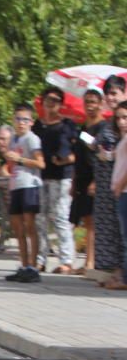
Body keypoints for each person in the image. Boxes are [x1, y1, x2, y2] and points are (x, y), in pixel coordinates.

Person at [32, 87, 79, 274]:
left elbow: (79, 152)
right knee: (40, 219)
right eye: (48, 99)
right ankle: (40, 259)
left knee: (61, 218)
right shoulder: (37, 126)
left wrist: (65, 159)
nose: (51, 103)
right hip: (41, 176)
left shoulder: (68, 125)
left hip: (63, 176)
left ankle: (66, 260)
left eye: (56, 100)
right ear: (42, 102)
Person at [2, 103, 47, 283]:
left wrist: (19, 159)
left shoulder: (32, 139)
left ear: (31, 122)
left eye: (25, 119)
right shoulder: (13, 139)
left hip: (30, 184)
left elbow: (41, 163)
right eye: (18, 119)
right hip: (16, 185)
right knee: (18, 228)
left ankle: (33, 267)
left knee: (30, 227)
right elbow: (9, 164)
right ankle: (23, 264)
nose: (21, 123)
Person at [72, 89, 109, 273]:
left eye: (93, 101)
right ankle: (88, 261)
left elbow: (101, 155)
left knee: (93, 222)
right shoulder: (83, 128)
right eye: (87, 101)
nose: (90, 105)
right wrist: (73, 182)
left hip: (95, 177)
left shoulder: (104, 127)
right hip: (81, 178)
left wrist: (96, 180)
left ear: (101, 103)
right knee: (86, 221)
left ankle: (91, 263)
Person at [95, 75, 126, 278]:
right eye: (108, 93)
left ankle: (121, 272)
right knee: (109, 227)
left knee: (121, 229)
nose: (110, 97)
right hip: (107, 182)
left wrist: (108, 154)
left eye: (114, 93)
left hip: (121, 184)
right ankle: (112, 271)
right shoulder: (107, 123)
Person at [104, 101, 127, 290]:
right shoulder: (123, 138)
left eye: (125, 117)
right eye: (118, 117)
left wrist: (120, 184)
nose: (121, 122)